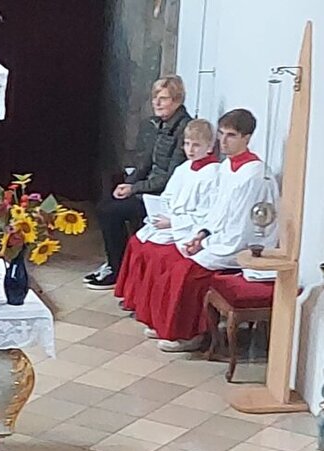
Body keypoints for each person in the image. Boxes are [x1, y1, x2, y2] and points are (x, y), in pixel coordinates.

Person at [132, 108, 278, 352]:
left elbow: (242, 228)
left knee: (187, 271)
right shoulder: (226, 168)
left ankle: (190, 335)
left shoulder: (253, 176)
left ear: (247, 138)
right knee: (175, 262)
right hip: (217, 239)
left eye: (231, 135)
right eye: (221, 134)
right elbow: (215, 212)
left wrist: (206, 244)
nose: (223, 141)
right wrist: (201, 235)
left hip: (241, 247)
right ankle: (168, 325)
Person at [86, 75, 192, 291]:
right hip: (148, 188)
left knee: (110, 212)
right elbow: (145, 164)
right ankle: (118, 264)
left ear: (178, 100)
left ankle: (118, 270)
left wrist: (135, 189)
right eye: (155, 98)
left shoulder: (184, 130)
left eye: (163, 98)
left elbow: (170, 177)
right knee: (107, 202)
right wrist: (128, 184)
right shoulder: (162, 124)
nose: (157, 103)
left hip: (162, 196)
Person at [115, 119, 220, 318]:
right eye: (187, 144)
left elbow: (207, 213)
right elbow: (168, 196)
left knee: (158, 254)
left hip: (188, 228)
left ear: (209, 146)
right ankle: (137, 301)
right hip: (170, 220)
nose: (190, 149)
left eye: (196, 145)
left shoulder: (214, 174)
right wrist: (160, 212)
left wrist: (174, 222)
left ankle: (152, 311)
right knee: (138, 242)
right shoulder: (184, 168)